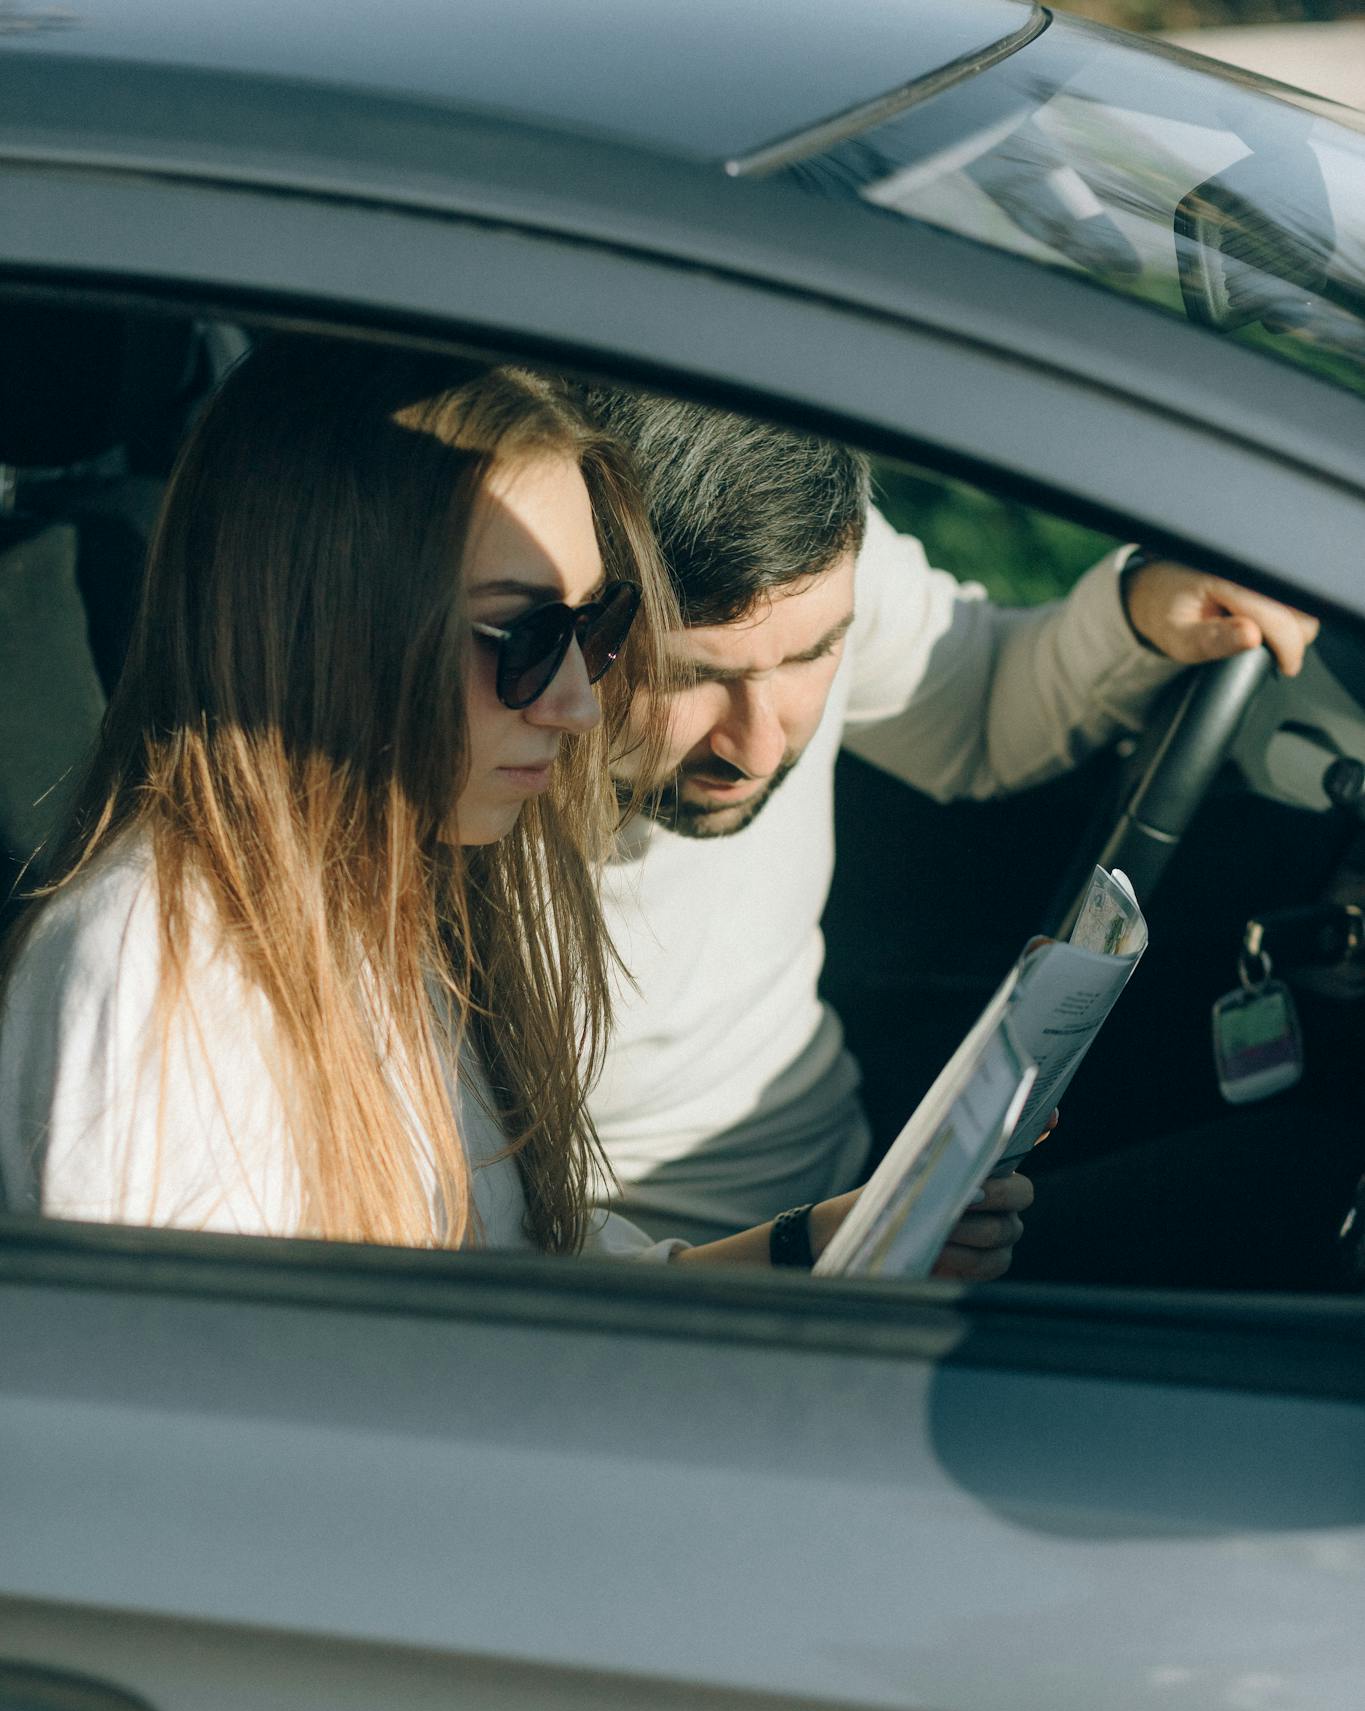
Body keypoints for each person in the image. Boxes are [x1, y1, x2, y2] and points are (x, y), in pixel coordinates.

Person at [0, 339, 941, 1274]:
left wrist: (805, 1252)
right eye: (525, 635)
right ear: (336, 626)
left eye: (595, 630)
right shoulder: (151, 968)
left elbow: (519, 1277)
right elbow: (169, 1402)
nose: (576, 703)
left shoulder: (403, 893)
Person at [578, 389, 1320, 1248]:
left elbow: (972, 708)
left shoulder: (804, 552)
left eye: (815, 654)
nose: (759, 745)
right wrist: (809, 1250)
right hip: (671, 1315)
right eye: (681, 677)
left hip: (861, 1183)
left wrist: (1142, 614)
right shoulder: (439, 820)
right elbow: (485, 1249)